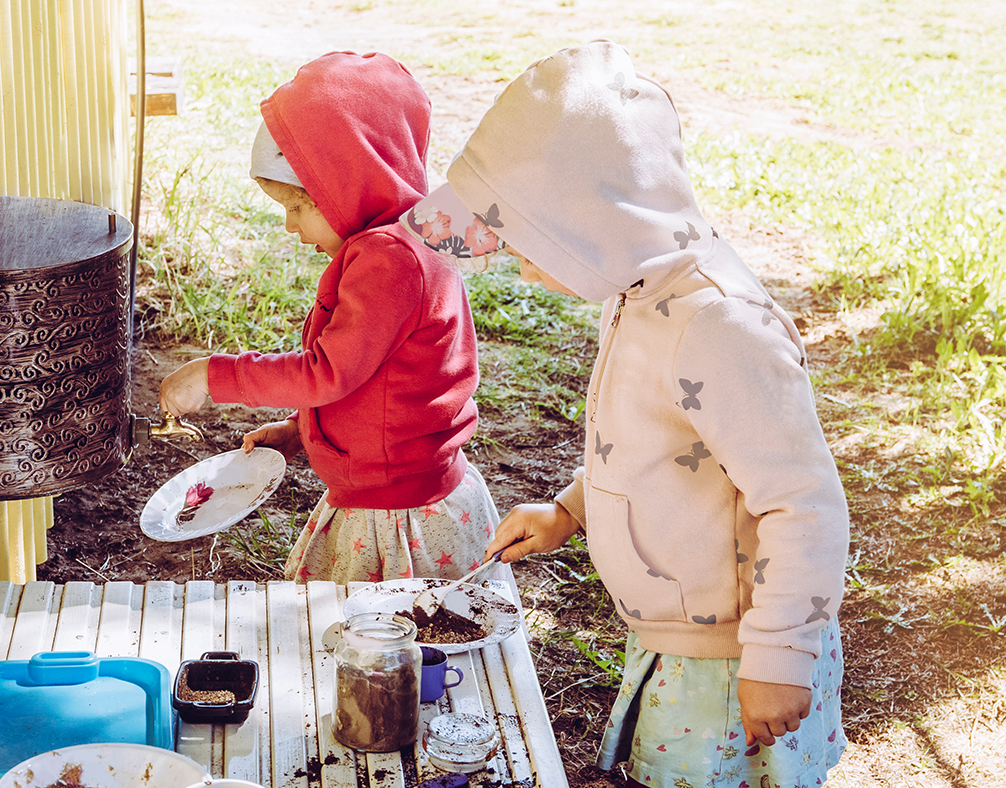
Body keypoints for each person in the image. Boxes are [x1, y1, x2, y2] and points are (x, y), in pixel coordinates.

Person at [404, 41, 850, 788]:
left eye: (528, 242)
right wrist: (569, 510)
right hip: (683, 640)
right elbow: (653, 448)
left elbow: (804, 502)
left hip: (737, 653)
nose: (519, 264)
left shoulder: (723, 327)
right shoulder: (638, 285)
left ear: (595, 222)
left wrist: (779, 656)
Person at [158, 51, 501, 584]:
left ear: (349, 184)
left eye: (298, 207)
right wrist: (304, 430)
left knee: (375, 644)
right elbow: (385, 379)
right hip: (394, 485)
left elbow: (328, 371)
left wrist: (214, 373)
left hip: (395, 513)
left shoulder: (389, 261)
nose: (291, 227)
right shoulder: (408, 236)